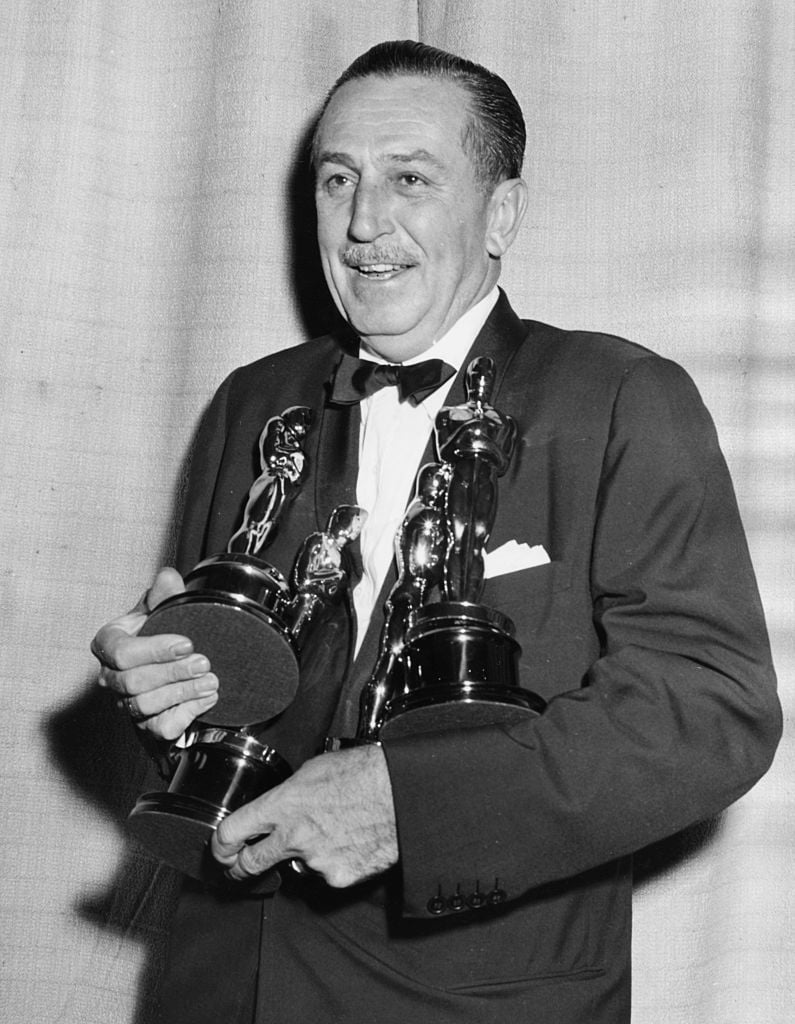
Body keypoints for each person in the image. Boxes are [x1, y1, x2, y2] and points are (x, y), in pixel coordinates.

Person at [91, 40, 781, 1024]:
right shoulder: (253, 401)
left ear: (501, 213)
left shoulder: (622, 396)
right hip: (221, 989)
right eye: (339, 180)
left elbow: (709, 712)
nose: (366, 222)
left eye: (409, 177)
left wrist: (405, 802)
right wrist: (166, 689)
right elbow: (227, 728)